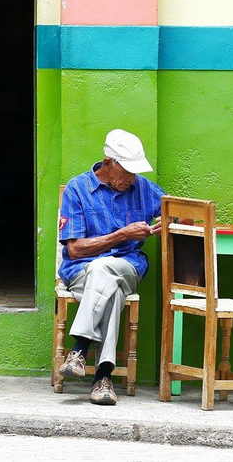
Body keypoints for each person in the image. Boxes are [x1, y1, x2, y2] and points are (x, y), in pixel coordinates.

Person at [58, 129, 165, 406]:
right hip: (82, 271)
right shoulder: (78, 188)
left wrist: (169, 223)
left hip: (128, 267)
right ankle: (103, 378)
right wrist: (121, 235)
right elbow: (74, 249)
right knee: (110, 288)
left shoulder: (142, 188)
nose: (132, 179)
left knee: (105, 269)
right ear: (108, 163)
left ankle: (79, 348)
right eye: (127, 172)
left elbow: (174, 211)